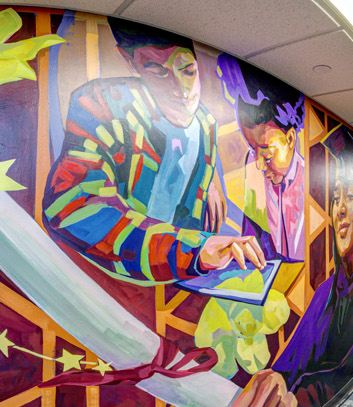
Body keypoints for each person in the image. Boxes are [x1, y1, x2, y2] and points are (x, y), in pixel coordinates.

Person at [44, 19, 266, 284]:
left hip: (184, 282)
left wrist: (211, 184)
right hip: (116, 284)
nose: (182, 90)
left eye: (188, 70)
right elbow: (74, 209)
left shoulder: (205, 121)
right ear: (128, 61)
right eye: (159, 72)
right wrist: (192, 252)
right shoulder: (99, 106)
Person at [230, 138, 353, 407]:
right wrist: (277, 378)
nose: (340, 209)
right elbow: (295, 356)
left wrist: (297, 400)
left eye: (350, 197)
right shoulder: (328, 291)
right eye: (336, 198)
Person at [219, 56, 306, 262]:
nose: (259, 165)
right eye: (252, 149)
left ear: (290, 139)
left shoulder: (312, 188)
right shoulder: (251, 172)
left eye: (266, 151)